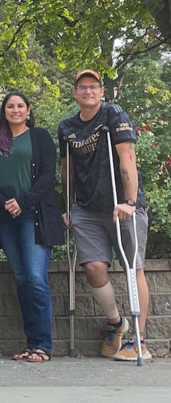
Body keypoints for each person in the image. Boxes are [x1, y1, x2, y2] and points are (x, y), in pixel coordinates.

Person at [58, 70, 151, 361]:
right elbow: (67, 169)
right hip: (86, 207)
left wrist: (130, 201)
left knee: (133, 267)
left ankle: (139, 340)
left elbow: (127, 157)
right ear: (75, 93)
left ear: (101, 91)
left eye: (93, 87)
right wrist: (68, 204)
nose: (88, 91)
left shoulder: (114, 115)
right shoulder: (67, 127)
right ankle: (117, 323)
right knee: (93, 267)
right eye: (82, 87)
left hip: (121, 204)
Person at [0, 91, 63, 363]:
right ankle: (31, 344)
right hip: (5, 218)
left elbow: (47, 176)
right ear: (4, 112)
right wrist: (6, 203)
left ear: (28, 110)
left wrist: (22, 202)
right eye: (10, 106)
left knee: (36, 278)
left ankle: (43, 345)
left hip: (34, 216)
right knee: (22, 280)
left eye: (20, 106)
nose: (15, 110)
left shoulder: (40, 138)